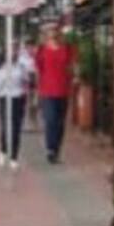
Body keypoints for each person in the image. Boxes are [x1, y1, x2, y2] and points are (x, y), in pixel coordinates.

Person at [0, 45, 37, 171]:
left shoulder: (21, 68)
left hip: (18, 99)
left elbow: (28, 80)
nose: (14, 53)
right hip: (5, 99)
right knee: (6, 127)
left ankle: (14, 158)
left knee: (16, 129)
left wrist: (30, 78)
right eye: (11, 51)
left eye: (15, 51)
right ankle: (3, 150)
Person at [35, 23, 76, 164]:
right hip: (47, 91)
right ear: (46, 34)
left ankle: (57, 149)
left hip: (63, 89)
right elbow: (39, 70)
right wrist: (37, 91)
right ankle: (50, 149)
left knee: (60, 122)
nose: (52, 33)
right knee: (50, 120)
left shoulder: (67, 49)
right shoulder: (42, 50)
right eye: (49, 30)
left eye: (54, 30)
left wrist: (73, 76)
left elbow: (72, 66)